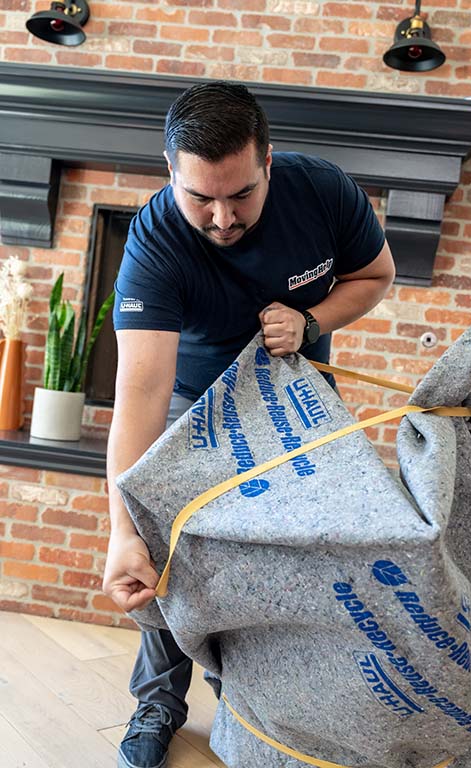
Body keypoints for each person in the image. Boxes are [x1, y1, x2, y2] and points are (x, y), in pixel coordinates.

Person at [103, 80, 395, 768]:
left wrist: (313, 319)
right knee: (160, 541)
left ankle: (261, 708)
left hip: (294, 400)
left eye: (241, 194)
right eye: (201, 196)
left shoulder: (321, 191)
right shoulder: (157, 242)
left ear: (269, 162)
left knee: (293, 555)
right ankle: (157, 703)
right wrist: (122, 529)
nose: (223, 218)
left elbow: (375, 275)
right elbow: (140, 389)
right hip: (191, 403)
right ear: (169, 169)